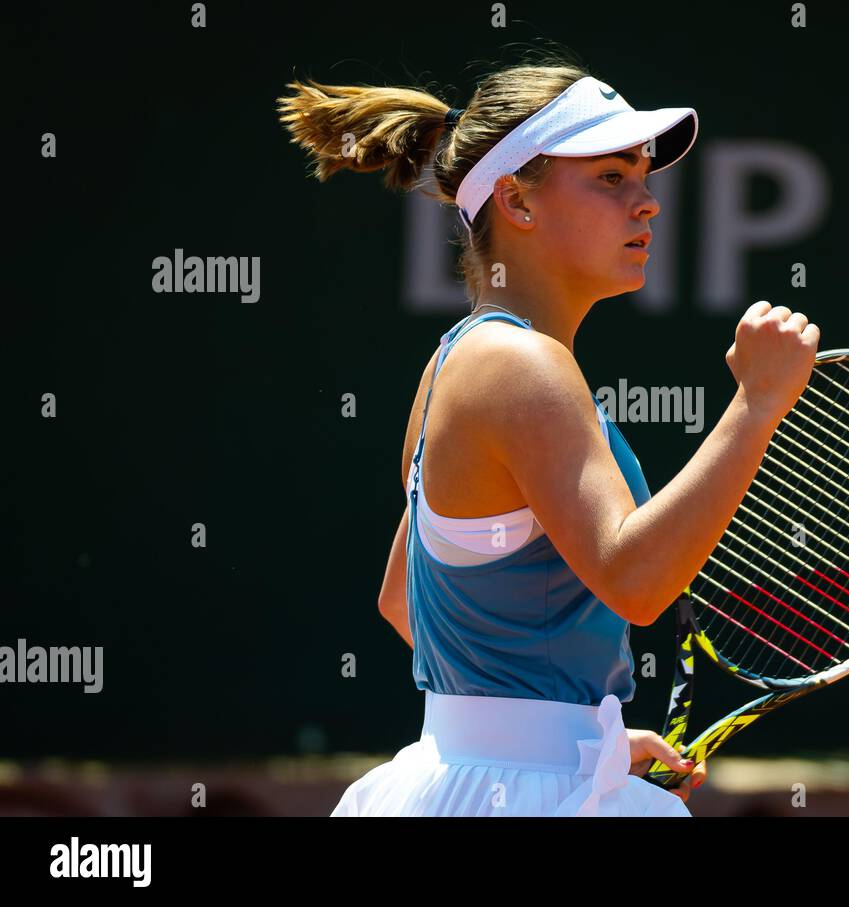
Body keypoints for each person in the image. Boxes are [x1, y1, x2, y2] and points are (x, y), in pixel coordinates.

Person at [277, 55, 818, 816]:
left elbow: (405, 600)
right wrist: (757, 406)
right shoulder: (524, 366)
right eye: (610, 178)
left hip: (460, 781)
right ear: (517, 202)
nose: (647, 203)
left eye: (643, 176)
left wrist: (570, 738)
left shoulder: (457, 363)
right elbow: (633, 580)